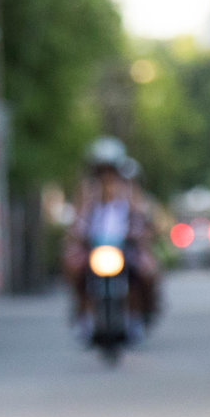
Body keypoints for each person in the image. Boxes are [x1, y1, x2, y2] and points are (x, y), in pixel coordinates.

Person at [63, 137, 161, 333]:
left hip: (125, 247)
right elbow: (77, 220)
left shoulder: (130, 191)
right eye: (101, 170)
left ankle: (138, 315)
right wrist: (76, 236)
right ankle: (83, 313)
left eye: (110, 170)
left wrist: (141, 233)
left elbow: (141, 217)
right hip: (93, 248)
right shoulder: (86, 192)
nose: (106, 175)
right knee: (73, 268)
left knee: (146, 272)